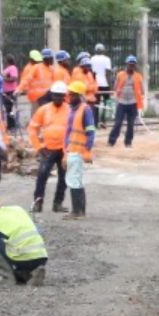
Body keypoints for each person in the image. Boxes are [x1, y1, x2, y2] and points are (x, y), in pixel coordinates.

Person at [0, 190, 48, 286]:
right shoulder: (17, 209)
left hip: (23, 259)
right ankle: (31, 273)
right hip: (41, 256)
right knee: (15, 242)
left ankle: (8, 278)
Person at [29, 80, 71, 212]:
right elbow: (32, 128)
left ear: (64, 96)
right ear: (51, 95)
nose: (57, 97)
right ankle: (37, 202)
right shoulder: (44, 110)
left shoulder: (69, 110)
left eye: (60, 95)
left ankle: (57, 204)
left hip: (64, 150)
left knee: (64, 178)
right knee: (42, 175)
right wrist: (38, 147)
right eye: (55, 95)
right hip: (47, 149)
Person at [61, 76, 97, 217]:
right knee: (76, 180)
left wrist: (87, 151)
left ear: (78, 96)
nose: (69, 96)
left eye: (72, 94)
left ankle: (77, 211)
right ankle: (80, 211)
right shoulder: (73, 110)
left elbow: (91, 131)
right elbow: (69, 132)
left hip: (78, 151)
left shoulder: (84, 110)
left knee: (74, 180)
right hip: (72, 150)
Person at [109, 52, 145, 146]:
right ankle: (111, 140)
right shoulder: (120, 75)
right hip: (121, 103)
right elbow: (115, 87)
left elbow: (142, 90)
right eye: (130, 64)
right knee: (118, 123)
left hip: (133, 103)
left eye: (133, 65)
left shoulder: (138, 76)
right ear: (127, 65)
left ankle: (128, 142)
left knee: (131, 125)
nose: (131, 66)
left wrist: (140, 102)